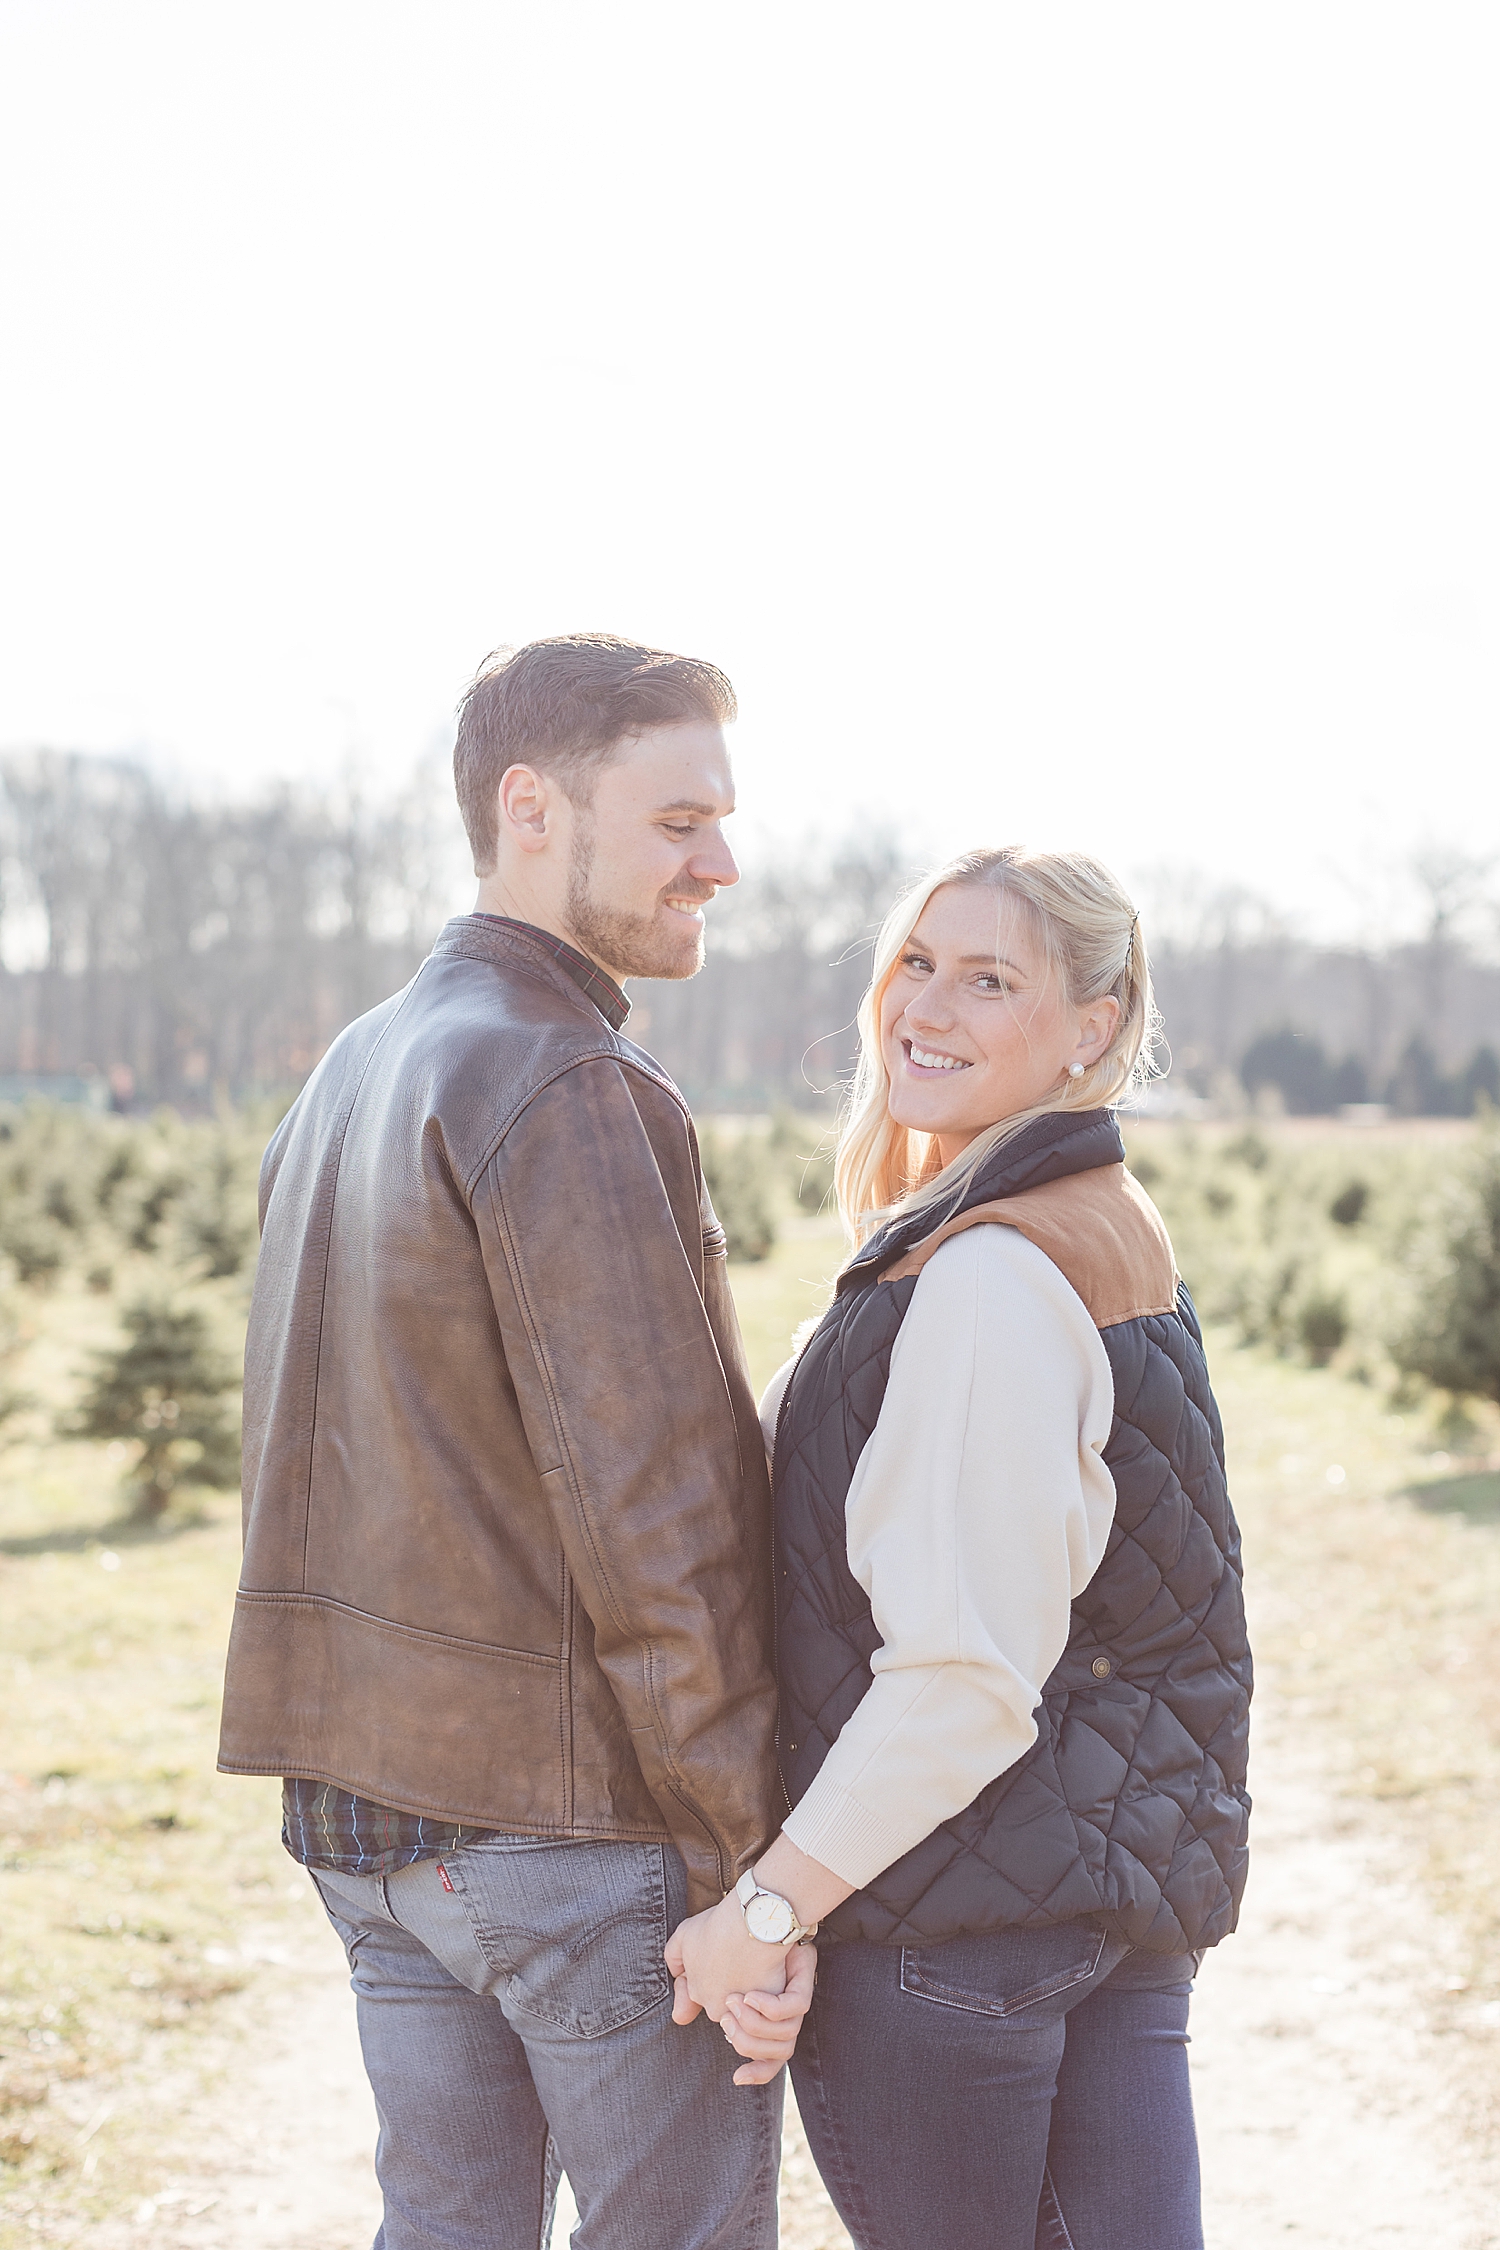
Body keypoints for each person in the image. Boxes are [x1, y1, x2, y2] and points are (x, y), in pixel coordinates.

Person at [217, 634, 813, 2250]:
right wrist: (751, 1865)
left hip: (367, 1817)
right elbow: (661, 1518)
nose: (725, 859)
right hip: (568, 1837)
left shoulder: (350, 1067)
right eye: (681, 817)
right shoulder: (563, 1075)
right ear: (532, 806)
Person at [670, 845, 1252, 2250]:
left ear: (1094, 1024)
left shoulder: (990, 1272)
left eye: (991, 978)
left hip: (957, 1939)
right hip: (1097, 1899)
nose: (926, 1005)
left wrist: (765, 1904)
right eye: (918, 962)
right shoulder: (1097, 1217)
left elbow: (960, 1679)